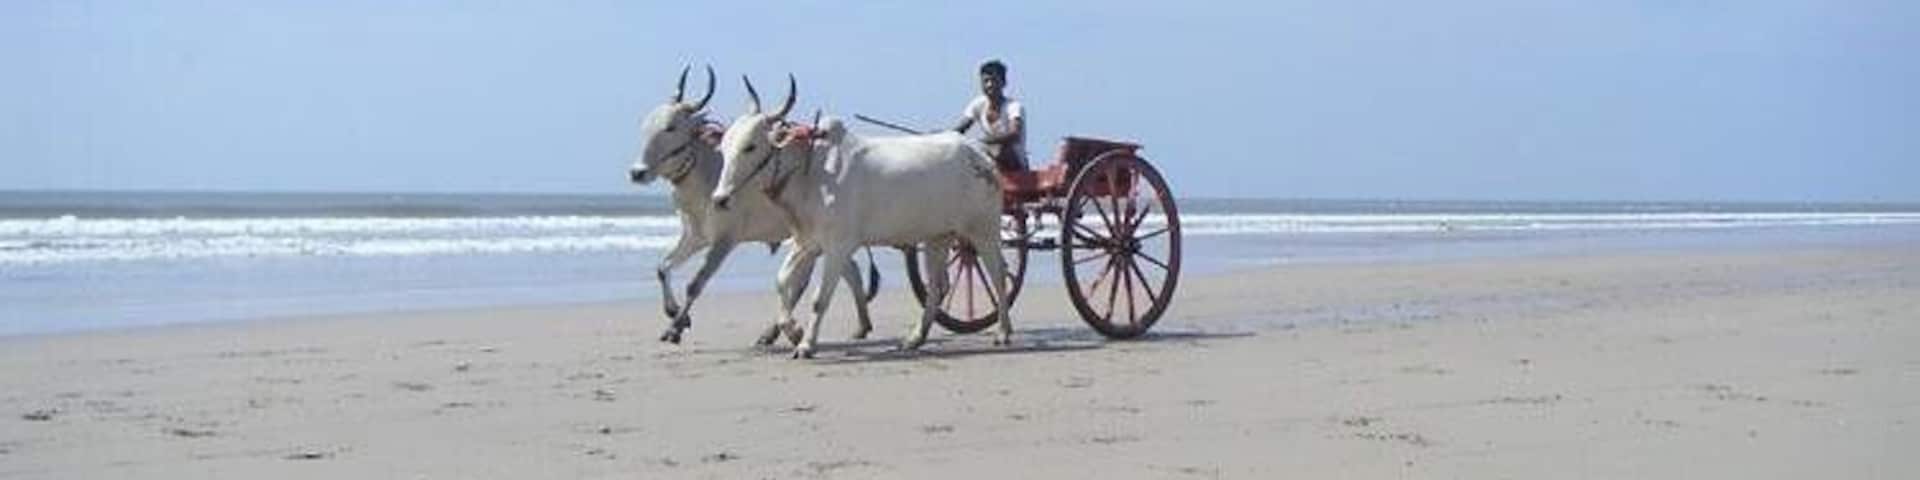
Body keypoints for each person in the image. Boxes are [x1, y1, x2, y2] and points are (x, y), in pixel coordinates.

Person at [953, 59, 1027, 171]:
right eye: (986, 81)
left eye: (994, 80)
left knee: (1002, 148)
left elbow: (1014, 134)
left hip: (1013, 164)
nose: (990, 85)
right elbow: (960, 130)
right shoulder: (978, 104)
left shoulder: (1013, 107)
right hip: (988, 159)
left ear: (1003, 83)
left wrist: (982, 142)